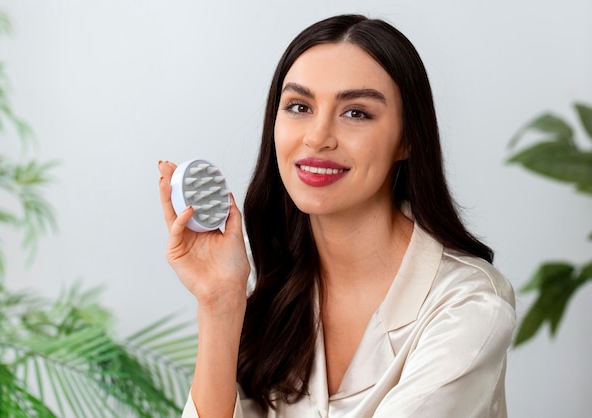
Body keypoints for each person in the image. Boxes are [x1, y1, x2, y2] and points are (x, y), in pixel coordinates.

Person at [158, 14, 516, 418]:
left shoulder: (469, 307)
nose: (317, 137)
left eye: (356, 113)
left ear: (408, 138)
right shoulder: (279, 301)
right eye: (299, 106)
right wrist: (220, 304)